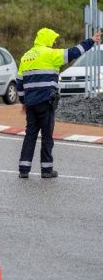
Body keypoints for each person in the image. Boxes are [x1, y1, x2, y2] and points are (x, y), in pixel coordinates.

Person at [17, 28, 101, 179]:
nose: (54, 43)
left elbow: (19, 83)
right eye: (53, 40)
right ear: (48, 39)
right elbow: (74, 52)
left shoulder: (26, 56)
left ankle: (24, 169)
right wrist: (91, 41)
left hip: (31, 104)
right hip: (45, 102)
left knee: (30, 135)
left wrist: (24, 101)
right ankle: (46, 170)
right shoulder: (50, 54)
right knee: (47, 135)